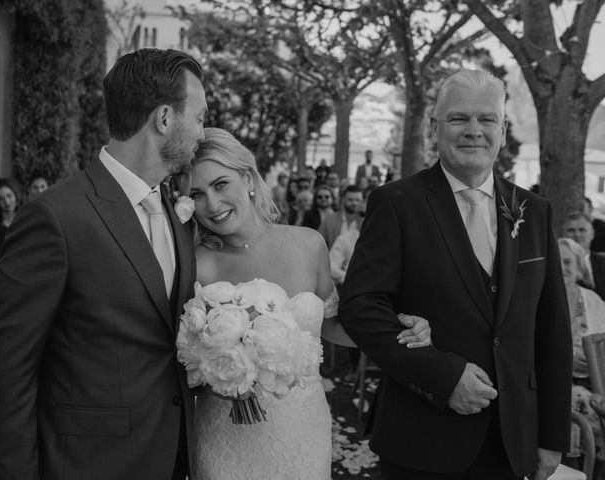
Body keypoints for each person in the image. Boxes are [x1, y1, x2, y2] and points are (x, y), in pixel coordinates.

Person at [0, 48, 207, 480]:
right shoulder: (55, 217)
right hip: (89, 465)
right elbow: (9, 372)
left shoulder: (177, 213)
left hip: (173, 459)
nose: (203, 131)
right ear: (164, 119)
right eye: (198, 117)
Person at [339, 69, 572, 480]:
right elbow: (361, 308)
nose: (474, 131)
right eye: (459, 118)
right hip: (422, 440)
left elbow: (552, 330)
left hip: (512, 441)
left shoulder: (534, 212)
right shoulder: (396, 203)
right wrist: (444, 377)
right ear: (434, 127)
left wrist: (552, 435)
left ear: (503, 128)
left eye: (487, 120)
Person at [184, 127, 432, 480]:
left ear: (248, 178)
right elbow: (183, 357)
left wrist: (398, 328)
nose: (212, 204)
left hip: (301, 430)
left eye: (220, 184)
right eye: (197, 193)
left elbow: (331, 325)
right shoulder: (195, 263)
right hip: (225, 435)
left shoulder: (308, 244)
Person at [558, 237, 605, 461]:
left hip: (592, 383)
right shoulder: (536, 298)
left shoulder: (593, 301)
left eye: (567, 262)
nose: (561, 267)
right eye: (556, 261)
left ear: (578, 269)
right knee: (578, 399)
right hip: (553, 382)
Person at [564, 211, 605, 300]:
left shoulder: (603, 262)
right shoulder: (555, 264)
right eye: (571, 230)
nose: (577, 235)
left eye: (582, 230)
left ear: (592, 234)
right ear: (564, 234)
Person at [318, 185, 363, 249]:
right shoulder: (329, 219)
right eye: (350, 199)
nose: (354, 203)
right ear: (343, 199)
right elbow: (319, 244)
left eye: (357, 200)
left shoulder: (366, 222)